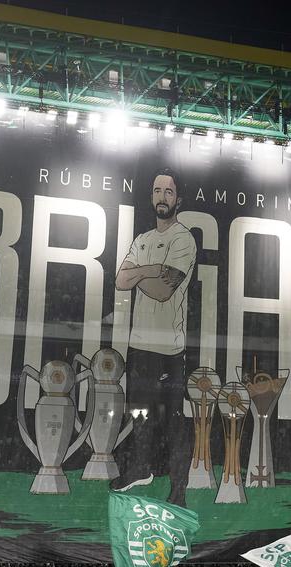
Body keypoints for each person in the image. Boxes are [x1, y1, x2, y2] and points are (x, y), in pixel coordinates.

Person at [113, 168, 197, 503]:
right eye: (157, 190)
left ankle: (179, 489)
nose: (161, 197)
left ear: (178, 199)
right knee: (139, 415)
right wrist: (150, 270)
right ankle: (139, 470)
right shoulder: (143, 240)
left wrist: (139, 275)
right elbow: (120, 280)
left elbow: (164, 291)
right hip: (139, 347)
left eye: (168, 192)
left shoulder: (183, 239)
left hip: (169, 351)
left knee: (174, 424)